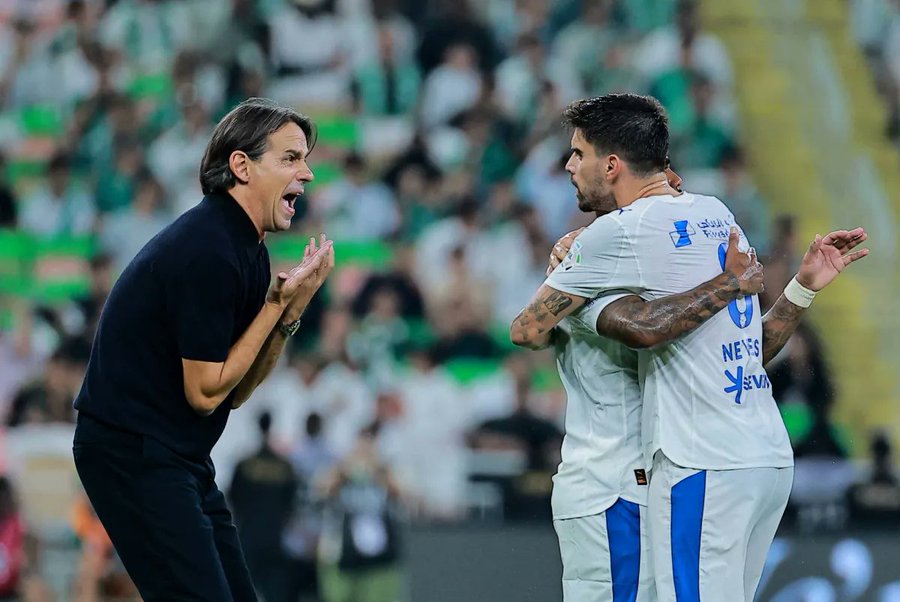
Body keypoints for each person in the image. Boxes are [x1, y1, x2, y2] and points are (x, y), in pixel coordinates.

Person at [511, 93, 869, 601]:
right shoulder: (717, 215)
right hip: (764, 456)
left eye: (578, 153)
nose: (569, 165)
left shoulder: (615, 235)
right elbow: (742, 348)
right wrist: (799, 289)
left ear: (612, 165)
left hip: (696, 460)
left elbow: (530, 330)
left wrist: (573, 268)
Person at [72, 97, 336, 602]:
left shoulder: (247, 250)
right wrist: (274, 307)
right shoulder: (208, 249)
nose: (307, 173)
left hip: (178, 454)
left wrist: (289, 313)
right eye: (290, 158)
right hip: (133, 452)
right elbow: (205, 392)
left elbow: (234, 392)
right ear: (241, 165)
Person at [511, 162, 765, 598]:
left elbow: (736, 358)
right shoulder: (596, 280)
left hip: (642, 481)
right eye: (663, 183)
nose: (674, 189)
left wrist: (799, 290)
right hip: (612, 485)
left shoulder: (642, 274)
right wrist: (728, 283)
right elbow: (531, 330)